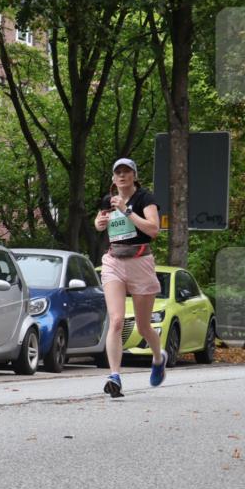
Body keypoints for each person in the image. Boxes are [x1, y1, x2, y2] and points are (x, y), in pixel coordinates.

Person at [94, 158, 164, 398]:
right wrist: (99, 223)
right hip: (113, 261)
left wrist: (127, 211)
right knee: (116, 320)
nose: (122, 176)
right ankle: (114, 376)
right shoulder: (108, 200)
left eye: (127, 172)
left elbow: (153, 229)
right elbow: (100, 222)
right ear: (113, 178)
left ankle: (158, 358)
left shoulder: (145, 198)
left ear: (134, 176)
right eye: (118, 173)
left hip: (140, 262)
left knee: (143, 327)